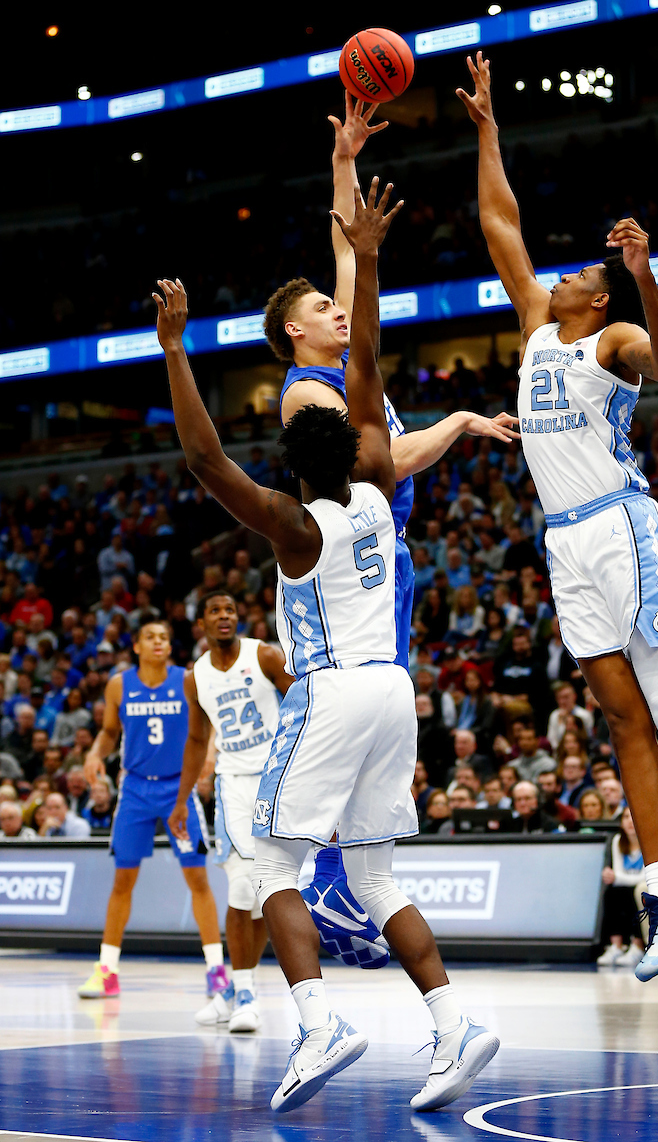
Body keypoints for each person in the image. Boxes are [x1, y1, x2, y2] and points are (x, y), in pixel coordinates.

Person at [153, 182, 498, 1114]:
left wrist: (177, 349)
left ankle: (317, 1020)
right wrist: (371, 260)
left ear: (293, 460)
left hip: (334, 694)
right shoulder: (381, 486)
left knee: (264, 864)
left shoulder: (290, 524)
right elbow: (372, 368)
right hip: (397, 690)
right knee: (378, 874)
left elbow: (202, 458)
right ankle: (454, 1023)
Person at [459, 49, 658, 982]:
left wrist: (643, 272)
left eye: (585, 271)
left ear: (600, 297)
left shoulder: (614, 335)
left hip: (625, 527)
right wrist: (489, 129)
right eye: (574, 269)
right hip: (564, 543)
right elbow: (501, 222)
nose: (566, 274)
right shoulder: (541, 324)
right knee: (622, 723)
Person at [267, 97, 516, 915]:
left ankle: (346, 879)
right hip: (348, 562)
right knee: (359, 711)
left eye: (336, 307)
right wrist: (458, 420)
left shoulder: (343, 362)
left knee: (380, 717)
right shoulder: (308, 392)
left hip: (380, 553)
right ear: (297, 337)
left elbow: (349, 250)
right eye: (322, 312)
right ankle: (325, 877)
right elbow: (376, 472)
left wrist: (343, 158)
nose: (339, 311)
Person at [77, 618, 224, 1000]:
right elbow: (110, 732)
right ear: (137, 647)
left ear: (170, 646)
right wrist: (95, 753)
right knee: (122, 880)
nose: (158, 642)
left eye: (164, 636)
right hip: (135, 790)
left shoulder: (187, 679)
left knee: (197, 878)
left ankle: (216, 970)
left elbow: (206, 725)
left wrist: (208, 756)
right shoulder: (118, 685)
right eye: (150, 637)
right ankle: (107, 970)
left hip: (180, 788)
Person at [168, 591, 294, 1033]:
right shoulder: (195, 676)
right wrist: (182, 799)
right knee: (241, 885)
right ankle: (243, 991)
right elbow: (197, 741)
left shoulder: (265, 656)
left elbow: (303, 705)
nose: (224, 616)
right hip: (232, 787)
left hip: (277, 780)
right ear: (200, 621)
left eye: (231, 611)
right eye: (215, 611)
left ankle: (235, 989)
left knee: (260, 892)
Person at [597, 807, 645, 966]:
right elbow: (616, 874)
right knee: (611, 893)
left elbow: (645, 876)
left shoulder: (649, 841)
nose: (630, 821)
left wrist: (617, 877)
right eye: (625, 817)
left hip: (644, 887)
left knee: (636, 893)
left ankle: (637, 946)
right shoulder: (618, 841)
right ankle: (616, 945)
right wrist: (614, 877)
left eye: (634, 817)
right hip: (624, 887)